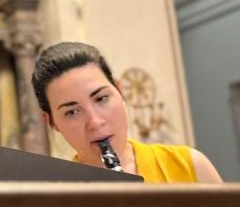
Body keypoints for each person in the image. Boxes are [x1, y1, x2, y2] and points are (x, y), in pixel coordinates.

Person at [31, 41, 222, 183]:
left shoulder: (190, 166)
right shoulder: (56, 197)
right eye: (72, 112)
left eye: (101, 98)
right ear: (51, 122)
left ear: (120, 90)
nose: (95, 122)